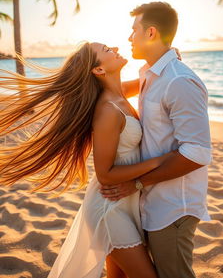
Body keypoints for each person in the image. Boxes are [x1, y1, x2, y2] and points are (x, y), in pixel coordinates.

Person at [0, 41, 178, 278]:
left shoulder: (119, 94)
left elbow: (149, 81)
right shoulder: (108, 110)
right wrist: (159, 161)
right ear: (99, 70)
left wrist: (168, 55)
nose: (114, 48)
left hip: (125, 204)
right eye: (106, 50)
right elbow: (104, 174)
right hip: (109, 209)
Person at [101, 2, 212, 278]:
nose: (129, 38)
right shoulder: (149, 75)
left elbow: (197, 153)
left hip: (173, 205)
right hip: (150, 201)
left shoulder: (179, 82)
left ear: (150, 32)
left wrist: (136, 183)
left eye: (133, 30)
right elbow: (115, 92)